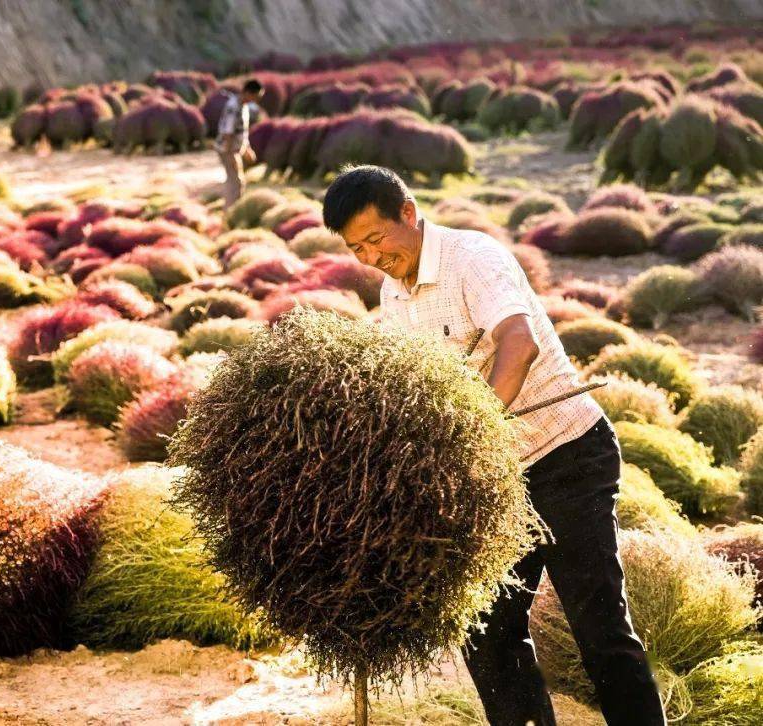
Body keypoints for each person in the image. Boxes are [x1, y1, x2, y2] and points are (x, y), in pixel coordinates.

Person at [322, 165, 666, 726]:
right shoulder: (392, 293)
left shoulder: (472, 258)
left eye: (377, 238)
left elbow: (518, 342)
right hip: (495, 480)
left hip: (566, 456)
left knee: (598, 628)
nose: (371, 256)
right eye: (356, 247)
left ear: (407, 214)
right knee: (486, 635)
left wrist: (467, 432)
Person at [216, 79, 264, 207]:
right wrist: (230, 154)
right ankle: (230, 213)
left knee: (237, 181)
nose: (256, 100)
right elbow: (228, 132)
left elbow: (240, 131)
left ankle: (232, 209)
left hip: (234, 149)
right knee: (235, 182)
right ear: (248, 93)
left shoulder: (243, 106)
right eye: (256, 96)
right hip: (228, 149)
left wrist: (246, 148)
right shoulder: (234, 107)